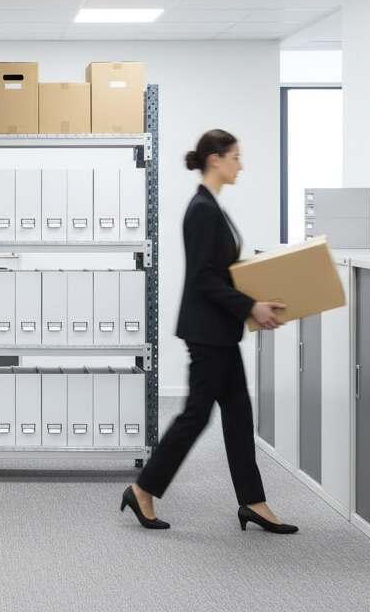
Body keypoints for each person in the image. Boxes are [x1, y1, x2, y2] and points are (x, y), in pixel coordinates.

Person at [121, 129, 298, 534]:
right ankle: (143, 489)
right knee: (195, 416)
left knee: (238, 415)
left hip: (220, 330)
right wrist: (250, 306)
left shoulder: (212, 207)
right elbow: (203, 278)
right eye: (235, 157)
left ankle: (253, 502)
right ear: (215, 159)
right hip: (207, 332)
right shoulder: (202, 208)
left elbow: (220, 272)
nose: (241, 165)